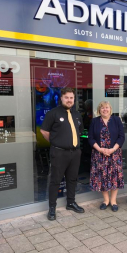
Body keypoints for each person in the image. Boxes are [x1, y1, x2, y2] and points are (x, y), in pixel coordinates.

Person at [40, 87, 85, 221]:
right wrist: (55, 142)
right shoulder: (53, 113)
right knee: (55, 181)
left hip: (75, 153)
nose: (69, 100)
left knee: (72, 179)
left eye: (71, 98)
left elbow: (80, 131)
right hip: (59, 153)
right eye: (67, 97)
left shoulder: (77, 114)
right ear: (61, 98)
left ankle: (71, 203)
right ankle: (52, 208)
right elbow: (44, 131)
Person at [88, 101, 125, 212]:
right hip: (99, 154)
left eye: (107, 107)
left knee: (114, 177)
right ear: (99, 110)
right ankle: (106, 200)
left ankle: (113, 201)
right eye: (102, 108)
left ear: (110, 109)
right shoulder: (94, 121)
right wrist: (100, 149)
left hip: (114, 154)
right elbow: (90, 138)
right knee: (102, 177)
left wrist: (113, 149)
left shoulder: (117, 120)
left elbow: (121, 137)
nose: (105, 109)